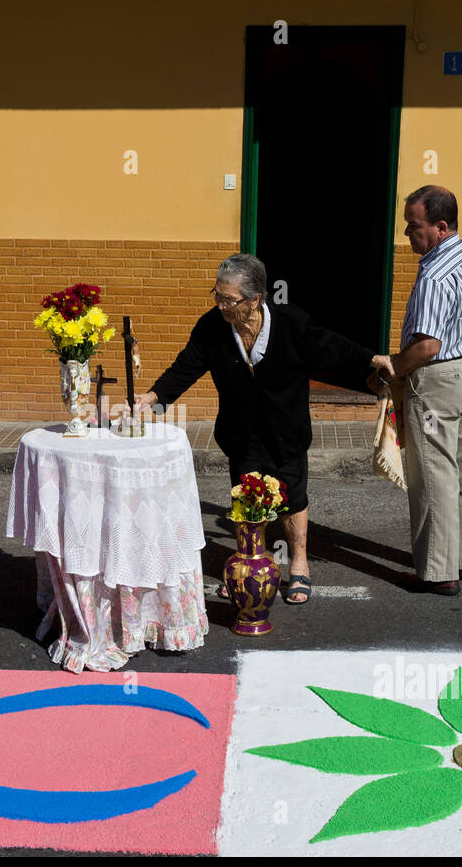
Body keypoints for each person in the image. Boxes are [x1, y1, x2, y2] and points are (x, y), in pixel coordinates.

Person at [135, 253, 393, 604]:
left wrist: (371, 358)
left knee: (292, 497)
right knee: (245, 497)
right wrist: (153, 398)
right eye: (218, 295)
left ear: (255, 299)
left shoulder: (290, 323)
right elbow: (186, 366)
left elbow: (330, 347)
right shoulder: (212, 327)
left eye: (229, 299)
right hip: (240, 431)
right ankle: (248, 563)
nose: (221, 304)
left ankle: (298, 565)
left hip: (286, 430)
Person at [367, 186, 462, 596]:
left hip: (441, 379)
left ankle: (440, 573)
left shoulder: (434, 274)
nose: (406, 233)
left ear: (440, 227)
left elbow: (427, 346)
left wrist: (391, 373)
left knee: (434, 476)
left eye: (414, 225)